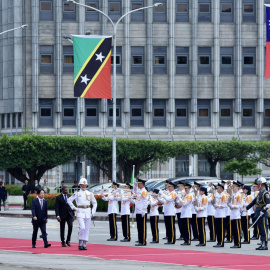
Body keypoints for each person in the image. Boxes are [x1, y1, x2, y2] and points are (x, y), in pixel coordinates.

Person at [67, 178, 97, 250]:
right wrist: (74, 208)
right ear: (80, 185)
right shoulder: (77, 193)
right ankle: (80, 241)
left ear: (86, 185)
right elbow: (69, 200)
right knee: (82, 227)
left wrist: (93, 211)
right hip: (80, 211)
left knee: (86, 229)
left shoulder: (90, 193)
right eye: (82, 185)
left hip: (88, 211)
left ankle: (84, 243)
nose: (83, 186)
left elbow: (95, 203)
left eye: (85, 185)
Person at [246, 177, 270, 250]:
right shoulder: (260, 192)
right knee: (260, 229)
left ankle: (264, 244)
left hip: (262, 213)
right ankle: (262, 243)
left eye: (258, 184)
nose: (257, 185)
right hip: (258, 212)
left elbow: (268, 203)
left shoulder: (265, 193)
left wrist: (264, 210)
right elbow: (254, 201)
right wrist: (247, 207)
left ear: (261, 184)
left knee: (264, 229)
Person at [133, 179, 148, 246]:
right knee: (139, 227)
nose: (138, 185)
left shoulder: (144, 191)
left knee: (142, 227)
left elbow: (146, 201)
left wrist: (144, 210)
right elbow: (137, 198)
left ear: (142, 184)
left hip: (142, 211)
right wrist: (135, 186)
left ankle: (143, 241)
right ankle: (140, 240)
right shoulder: (139, 191)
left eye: (139, 184)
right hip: (138, 211)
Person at [228, 181, 243, 248]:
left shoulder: (239, 195)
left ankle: (238, 243)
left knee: (237, 230)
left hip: (236, 213)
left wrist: (233, 206)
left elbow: (240, 205)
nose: (233, 188)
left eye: (234, 187)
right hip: (232, 214)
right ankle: (235, 243)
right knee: (234, 230)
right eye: (232, 187)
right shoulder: (233, 195)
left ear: (237, 187)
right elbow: (228, 203)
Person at [213, 183, 228, 248]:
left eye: (218, 188)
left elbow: (225, 205)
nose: (217, 189)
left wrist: (218, 206)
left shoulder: (224, 195)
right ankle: (218, 241)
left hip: (222, 214)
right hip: (217, 213)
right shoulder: (217, 195)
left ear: (221, 189)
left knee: (221, 229)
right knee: (217, 229)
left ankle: (221, 242)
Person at [179, 181, 193, 245]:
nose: (186, 189)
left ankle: (188, 240)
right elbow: (180, 204)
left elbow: (185, 203)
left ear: (189, 189)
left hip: (187, 213)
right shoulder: (185, 195)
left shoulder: (190, 195)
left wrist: (179, 198)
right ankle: (185, 239)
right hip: (183, 213)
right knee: (184, 228)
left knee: (187, 228)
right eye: (185, 188)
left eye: (187, 188)